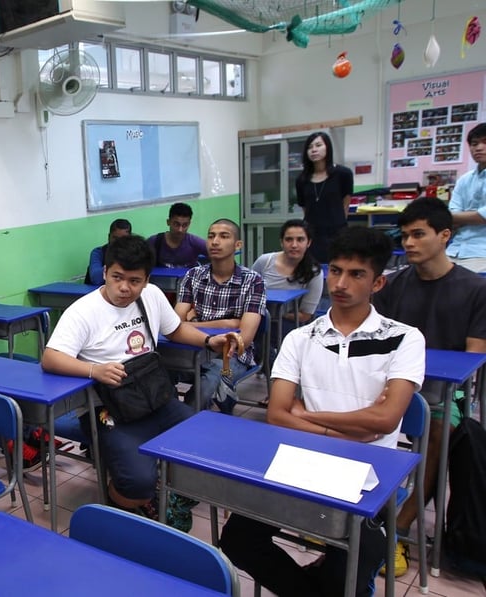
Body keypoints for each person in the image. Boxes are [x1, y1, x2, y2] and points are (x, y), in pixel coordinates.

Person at [220, 226, 425, 597]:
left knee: (354, 564)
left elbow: (385, 421)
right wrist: (348, 428)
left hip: (370, 473)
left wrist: (308, 415)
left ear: (378, 283)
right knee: (237, 539)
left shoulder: (405, 338)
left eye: (356, 274)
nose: (341, 283)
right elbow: (278, 415)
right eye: (336, 271)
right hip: (305, 463)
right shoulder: (301, 337)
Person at [42, 234, 240, 530]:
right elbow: (51, 357)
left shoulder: (152, 296)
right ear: (105, 272)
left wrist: (210, 340)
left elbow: (175, 331)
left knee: (202, 446)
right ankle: (123, 511)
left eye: (134, 281)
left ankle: (164, 491)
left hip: (154, 398)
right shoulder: (83, 311)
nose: (124, 288)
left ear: (147, 279)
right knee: (137, 482)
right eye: (117, 277)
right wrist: (93, 370)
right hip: (109, 409)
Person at [373, 197, 486, 576]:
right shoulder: (394, 285)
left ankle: (399, 528)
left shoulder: (475, 288)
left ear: (445, 236)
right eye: (404, 235)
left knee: (440, 429)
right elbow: (375, 343)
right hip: (390, 385)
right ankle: (358, 511)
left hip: (443, 393)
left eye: (418, 234)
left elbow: (472, 361)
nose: (408, 243)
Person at [174, 219, 266, 412]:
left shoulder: (253, 281)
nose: (215, 241)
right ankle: (172, 420)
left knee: (210, 381)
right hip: (194, 347)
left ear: (238, 245)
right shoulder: (193, 275)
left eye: (224, 236)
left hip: (231, 355)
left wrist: (190, 323)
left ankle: (184, 425)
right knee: (156, 374)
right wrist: (227, 323)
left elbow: (245, 339)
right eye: (211, 236)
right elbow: (175, 324)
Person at [250, 219, 325, 329]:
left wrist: (276, 316)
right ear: (281, 242)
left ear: (308, 242)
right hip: (257, 320)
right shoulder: (264, 261)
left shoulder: (314, 273)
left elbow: (305, 315)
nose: (294, 245)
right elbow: (247, 293)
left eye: (300, 240)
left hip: (290, 324)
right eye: (289, 239)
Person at [295, 131, 353, 263]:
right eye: (310, 147)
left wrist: (338, 225)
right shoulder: (302, 179)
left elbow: (346, 204)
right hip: (312, 235)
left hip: (337, 232)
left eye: (318, 145)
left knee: (338, 267)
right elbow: (305, 208)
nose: (314, 150)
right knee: (313, 272)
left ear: (328, 147)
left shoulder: (343, 174)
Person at [446, 122, 486, 272]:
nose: (479, 148)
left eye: (485, 142)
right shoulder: (464, 179)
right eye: (474, 143)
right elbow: (451, 214)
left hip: (482, 252)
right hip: (455, 249)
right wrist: (476, 216)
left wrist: (458, 217)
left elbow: (483, 216)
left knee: (463, 287)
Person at [146, 202, 208, 268]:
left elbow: (218, 255)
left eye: (184, 225)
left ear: (189, 224)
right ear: (168, 222)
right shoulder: (154, 241)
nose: (180, 230)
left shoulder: (195, 242)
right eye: (176, 224)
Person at [85, 218, 132, 285]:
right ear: (109, 237)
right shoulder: (98, 253)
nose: (118, 242)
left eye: (123, 239)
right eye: (115, 238)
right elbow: (96, 279)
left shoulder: (135, 254)